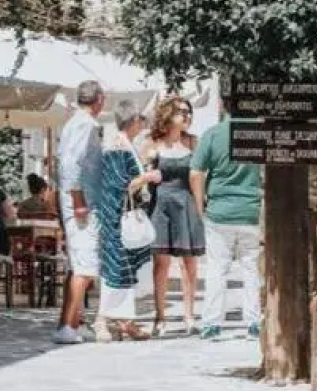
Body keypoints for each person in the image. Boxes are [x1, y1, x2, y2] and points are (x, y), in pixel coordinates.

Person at [191, 107, 265, 339]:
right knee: (250, 269)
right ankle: (254, 323)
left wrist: (200, 205)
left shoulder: (213, 133)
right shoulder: (260, 134)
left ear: (223, 103)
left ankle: (212, 324)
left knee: (217, 269)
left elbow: (196, 173)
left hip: (219, 212)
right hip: (250, 211)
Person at [95, 101, 163, 341]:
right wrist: (148, 176)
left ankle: (126, 321)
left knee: (126, 269)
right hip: (116, 217)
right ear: (134, 121)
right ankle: (102, 320)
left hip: (120, 215)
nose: (143, 125)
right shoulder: (117, 147)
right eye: (142, 120)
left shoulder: (126, 145)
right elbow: (120, 184)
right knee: (116, 269)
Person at [141, 96, 206, 336]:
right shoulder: (152, 144)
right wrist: (149, 174)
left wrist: (200, 210)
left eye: (189, 112)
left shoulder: (193, 143)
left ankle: (189, 315)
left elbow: (199, 178)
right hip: (161, 204)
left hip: (186, 203)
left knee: (189, 262)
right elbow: (141, 175)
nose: (187, 116)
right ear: (168, 115)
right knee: (161, 263)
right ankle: (160, 317)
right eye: (182, 112)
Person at [53, 81, 106, 345]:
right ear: (99, 100)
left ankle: (71, 322)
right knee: (85, 267)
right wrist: (78, 200)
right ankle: (67, 326)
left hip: (78, 199)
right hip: (82, 202)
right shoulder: (84, 125)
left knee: (78, 267)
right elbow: (71, 164)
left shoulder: (75, 123)